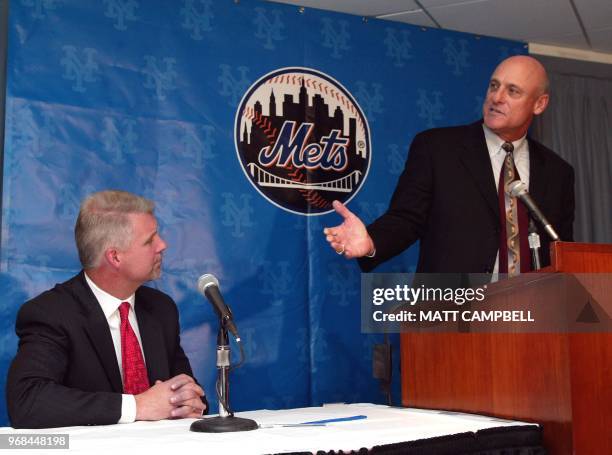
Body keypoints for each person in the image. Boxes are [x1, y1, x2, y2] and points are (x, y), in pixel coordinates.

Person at [324, 55, 574, 274]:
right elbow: (406, 218)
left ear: (539, 103)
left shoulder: (557, 172)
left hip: (530, 316)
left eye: (513, 91)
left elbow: (561, 248)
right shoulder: (438, 148)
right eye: (494, 86)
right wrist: (371, 242)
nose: (496, 98)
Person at [6, 190, 207, 428]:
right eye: (149, 240)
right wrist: (137, 405)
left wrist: (190, 400)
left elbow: (188, 392)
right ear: (115, 257)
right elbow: (28, 401)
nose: (162, 245)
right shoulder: (50, 314)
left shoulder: (161, 308)